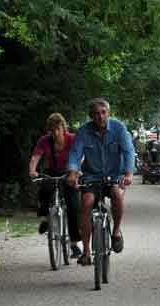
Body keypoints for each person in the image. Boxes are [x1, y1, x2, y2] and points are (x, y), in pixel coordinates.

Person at [67, 98, 135, 266]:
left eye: (103, 112)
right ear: (91, 116)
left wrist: (128, 174)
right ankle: (87, 252)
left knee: (117, 194)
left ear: (109, 113)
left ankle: (116, 232)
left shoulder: (119, 128)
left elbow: (128, 151)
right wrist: (73, 173)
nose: (100, 116)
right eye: (96, 114)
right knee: (86, 202)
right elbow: (75, 154)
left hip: (115, 175)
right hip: (92, 176)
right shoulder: (83, 132)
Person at [29, 113, 82, 258]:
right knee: (45, 188)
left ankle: (74, 244)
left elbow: (80, 155)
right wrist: (32, 170)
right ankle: (47, 218)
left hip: (70, 172)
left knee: (73, 205)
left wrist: (77, 171)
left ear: (63, 127)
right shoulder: (44, 141)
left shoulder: (72, 139)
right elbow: (36, 156)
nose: (55, 132)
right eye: (52, 130)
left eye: (58, 128)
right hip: (52, 172)